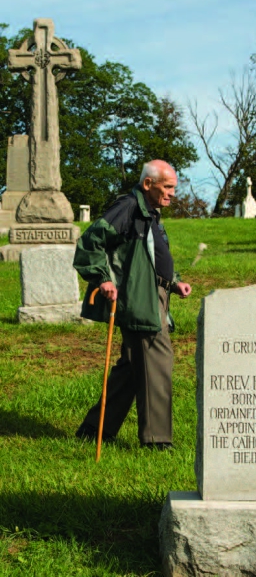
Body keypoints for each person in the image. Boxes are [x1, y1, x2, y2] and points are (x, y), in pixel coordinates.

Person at [73, 160, 192, 449]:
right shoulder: (128, 208)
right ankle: (156, 440)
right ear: (148, 184)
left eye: (174, 188)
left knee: (132, 368)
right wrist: (103, 279)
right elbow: (90, 242)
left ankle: (95, 429)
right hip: (139, 301)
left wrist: (173, 282)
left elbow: (150, 257)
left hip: (154, 296)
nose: (172, 194)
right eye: (167, 187)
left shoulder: (149, 213)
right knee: (157, 363)